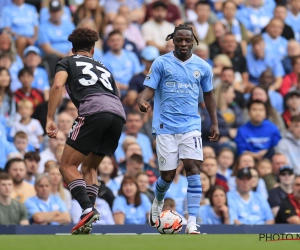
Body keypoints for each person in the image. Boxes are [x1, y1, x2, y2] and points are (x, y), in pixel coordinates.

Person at [138, 24, 219, 234]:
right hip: (165, 127)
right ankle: (157, 201)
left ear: (193, 41)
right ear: (172, 40)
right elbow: (149, 89)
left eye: (187, 40)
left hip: (191, 125)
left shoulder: (203, 66)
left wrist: (215, 122)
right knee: (167, 175)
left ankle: (192, 221)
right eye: (179, 40)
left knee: (193, 168)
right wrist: (141, 100)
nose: (183, 43)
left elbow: (209, 95)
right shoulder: (161, 63)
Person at [46, 27, 126, 235]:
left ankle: (87, 208)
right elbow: (114, 93)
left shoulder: (67, 61)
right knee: (90, 168)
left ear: (72, 49)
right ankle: (87, 216)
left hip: (93, 111)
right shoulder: (105, 68)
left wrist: (49, 118)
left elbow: (57, 86)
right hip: (118, 113)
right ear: (93, 49)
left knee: (67, 165)